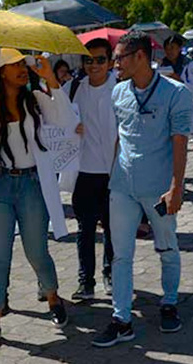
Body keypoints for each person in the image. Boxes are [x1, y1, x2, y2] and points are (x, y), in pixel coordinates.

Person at [92, 31, 193, 348]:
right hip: (122, 187)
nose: (114, 64)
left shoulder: (176, 93)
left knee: (166, 247)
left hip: (158, 188)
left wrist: (176, 187)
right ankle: (121, 320)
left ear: (139, 57)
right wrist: (111, 180)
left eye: (119, 57)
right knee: (120, 255)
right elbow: (121, 137)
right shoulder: (118, 92)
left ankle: (169, 303)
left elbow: (180, 143)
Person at [0, 48, 75, 349]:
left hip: (32, 184)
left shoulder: (34, 99)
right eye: (15, 64)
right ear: (1, 71)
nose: (23, 68)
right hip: (1, 186)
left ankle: (53, 297)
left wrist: (50, 80)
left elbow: (66, 118)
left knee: (36, 251)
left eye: (23, 64)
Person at [62, 38, 117, 300]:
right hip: (83, 171)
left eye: (100, 60)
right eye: (88, 60)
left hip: (114, 172)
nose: (93, 65)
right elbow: (53, 112)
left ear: (110, 62)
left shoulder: (122, 89)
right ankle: (86, 281)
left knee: (112, 228)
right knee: (84, 230)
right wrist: (69, 127)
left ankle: (111, 275)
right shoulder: (73, 87)